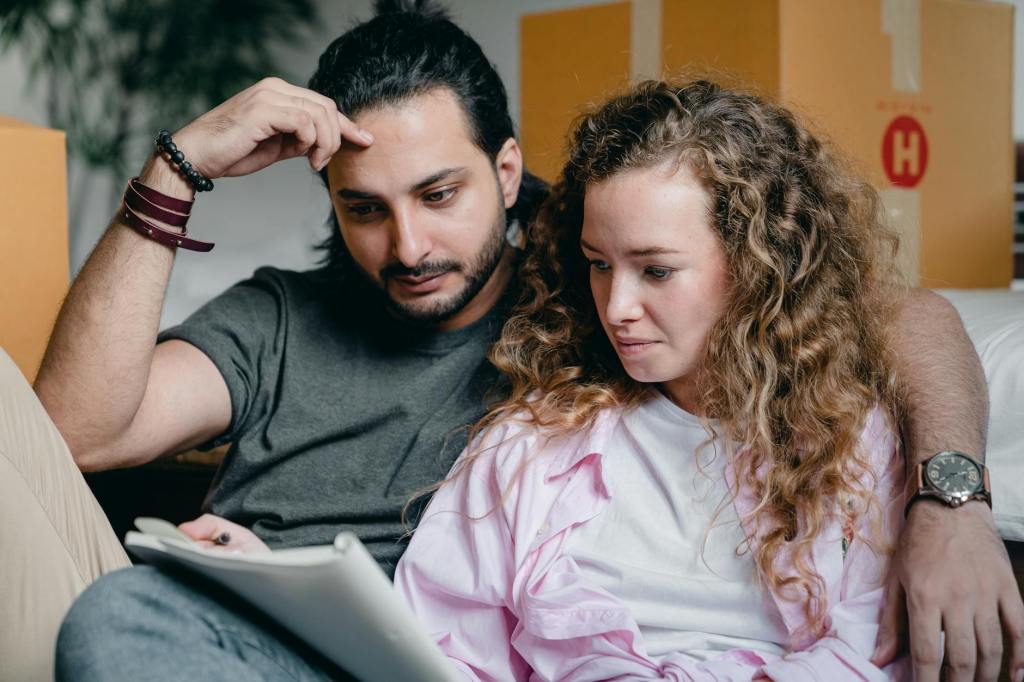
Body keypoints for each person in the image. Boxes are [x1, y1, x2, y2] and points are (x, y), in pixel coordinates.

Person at [0, 1, 1009, 680]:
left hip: (415, 651)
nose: (409, 245)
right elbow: (72, 439)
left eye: (439, 193)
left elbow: (887, 311)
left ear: (506, 167)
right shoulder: (279, 316)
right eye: (364, 210)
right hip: (260, 631)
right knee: (111, 593)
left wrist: (951, 496)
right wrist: (176, 170)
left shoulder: (581, 282)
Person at [393, 78, 910, 680]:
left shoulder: (853, 441)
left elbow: (880, 650)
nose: (616, 307)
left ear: (757, 264)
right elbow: (440, 646)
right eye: (599, 266)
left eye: (656, 270)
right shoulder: (531, 444)